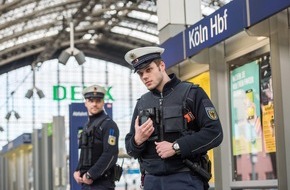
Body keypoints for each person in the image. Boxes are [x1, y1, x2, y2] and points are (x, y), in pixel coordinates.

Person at [124, 46, 223, 190]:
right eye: (140, 73)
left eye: (149, 69)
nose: (144, 76)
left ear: (161, 66)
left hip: (185, 178)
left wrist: (176, 147)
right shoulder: (142, 103)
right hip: (151, 181)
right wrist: (137, 140)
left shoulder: (192, 93)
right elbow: (130, 148)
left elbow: (215, 133)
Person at [73, 85, 119, 190]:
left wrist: (91, 174)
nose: (94, 104)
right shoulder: (87, 126)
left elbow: (110, 155)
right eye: (91, 100)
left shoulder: (109, 125)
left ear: (103, 102)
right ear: (86, 103)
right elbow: (84, 152)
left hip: (102, 184)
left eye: (98, 101)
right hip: (86, 183)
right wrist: (78, 170)